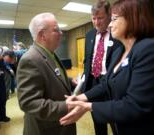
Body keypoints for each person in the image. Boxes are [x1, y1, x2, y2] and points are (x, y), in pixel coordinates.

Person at [60, 0, 154, 135]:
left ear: (133, 19)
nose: (110, 24)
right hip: (118, 120)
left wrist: (88, 106)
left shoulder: (147, 49)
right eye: (94, 18)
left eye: (114, 19)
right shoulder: (119, 52)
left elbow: (135, 105)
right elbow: (106, 84)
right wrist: (81, 97)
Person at [17, 12, 76, 135]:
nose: (61, 33)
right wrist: (65, 107)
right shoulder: (30, 59)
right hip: (46, 128)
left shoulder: (49, 53)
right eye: (56, 30)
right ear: (42, 35)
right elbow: (29, 102)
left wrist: (70, 81)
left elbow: (52, 76)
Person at [82, 1, 120, 135]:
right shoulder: (89, 35)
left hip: (111, 83)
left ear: (109, 15)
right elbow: (87, 60)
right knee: (98, 121)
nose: (96, 22)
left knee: (116, 122)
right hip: (93, 82)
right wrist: (83, 77)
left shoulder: (117, 34)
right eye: (93, 18)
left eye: (100, 18)